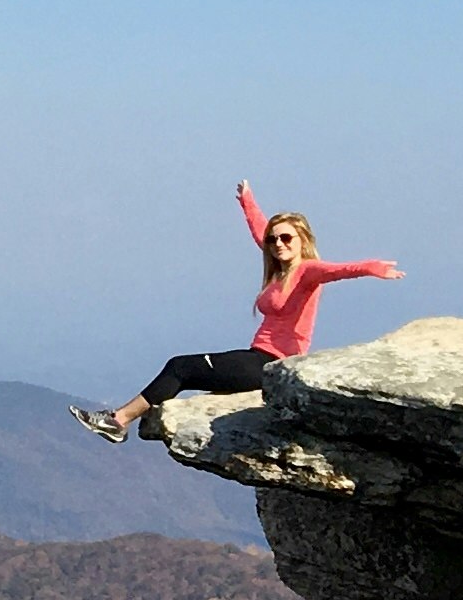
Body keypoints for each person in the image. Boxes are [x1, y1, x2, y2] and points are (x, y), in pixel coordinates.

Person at [77, 182, 401, 441]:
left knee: (180, 367)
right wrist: (248, 201)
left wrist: (373, 267)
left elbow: (339, 270)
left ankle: (118, 421)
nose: (278, 244)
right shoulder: (281, 270)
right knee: (184, 368)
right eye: (275, 239)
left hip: (270, 364)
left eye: (286, 238)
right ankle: (122, 418)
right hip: (255, 357)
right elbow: (261, 232)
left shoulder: (307, 271)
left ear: (303, 239)